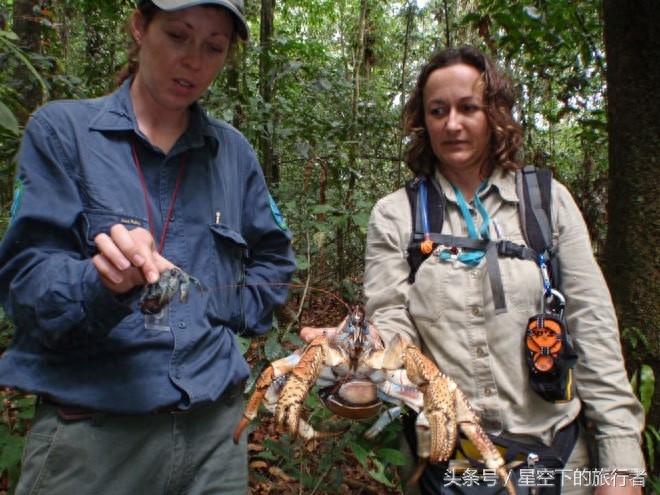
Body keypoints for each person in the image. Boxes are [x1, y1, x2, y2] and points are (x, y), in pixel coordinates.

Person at [301, 46, 646, 495]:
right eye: (437, 111)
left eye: (468, 107)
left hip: (557, 463)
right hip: (451, 471)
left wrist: (621, 466)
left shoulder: (545, 203)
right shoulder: (396, 216)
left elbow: (593, 329)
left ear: (495, 114)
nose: (452, 123)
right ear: (422, 121)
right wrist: (362, 345)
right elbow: (392, 321)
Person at [0, 1, 295, 494]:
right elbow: (27, 282)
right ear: (140, 27)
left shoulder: (234, 154)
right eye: (178, 36)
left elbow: (275, 258)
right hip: (94, 435)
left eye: (213, 47)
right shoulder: (63, 133)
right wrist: (99, 282)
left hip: (216, 437)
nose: (193, 61)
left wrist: (220, 306)